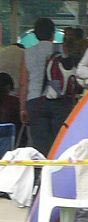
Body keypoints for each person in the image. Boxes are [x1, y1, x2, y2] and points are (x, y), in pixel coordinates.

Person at [18, 18, 74, 156]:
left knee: (40, 145)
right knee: (61, 143)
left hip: (35, 101)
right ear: (53, 33)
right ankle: (58, 173)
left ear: (35, 34)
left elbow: (23, 82)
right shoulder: (62, 49)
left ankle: (42, 174)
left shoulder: (28, 52)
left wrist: (22, 107)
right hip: (60, 101)